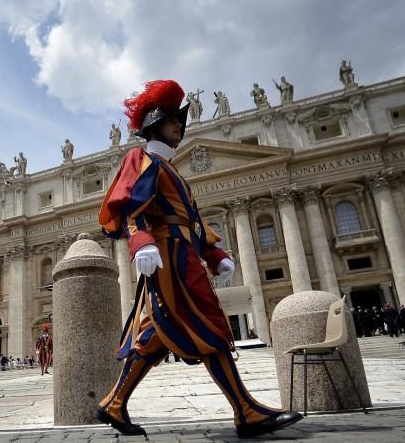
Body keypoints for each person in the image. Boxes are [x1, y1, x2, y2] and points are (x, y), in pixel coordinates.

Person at [94, 79, 302, 438]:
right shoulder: (142, 159)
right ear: (155, 124)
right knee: (210, 324)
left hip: (183, 253)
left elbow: (191, 220)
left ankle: (114, 403)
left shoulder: (174, 172)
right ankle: (246, 411)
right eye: (174, 119)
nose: (180, 125)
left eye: (181, 120)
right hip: (168, 257)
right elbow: (131, 206)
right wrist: (141, 242)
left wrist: (214, 252)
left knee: (157, 332)